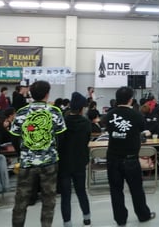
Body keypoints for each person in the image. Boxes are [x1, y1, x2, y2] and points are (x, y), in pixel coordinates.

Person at [10, 80, 67, 227]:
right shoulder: (55, 111)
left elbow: (14, 137)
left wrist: (23, 153)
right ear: (47, 94)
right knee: (49, 200)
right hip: (49, 162)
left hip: (26, 162)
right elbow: (61, 138)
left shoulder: (21, 112)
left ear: (31, 94)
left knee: (21, 200)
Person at [105, 86, 155, 226]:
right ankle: (143, 215)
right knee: (136, 189)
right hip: (131, 158)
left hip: (113, 158)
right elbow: (142, 130)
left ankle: (120, 219)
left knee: (116, 190)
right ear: (131, 100)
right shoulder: (136, 115)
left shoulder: (109, 115)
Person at [58, 92, 92, 227]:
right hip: (79, 162)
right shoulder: (86, 123)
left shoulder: (62, 122)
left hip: (64, 163)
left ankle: (67, 222)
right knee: (81, 191)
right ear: (82, 108)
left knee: (65, 195)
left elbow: (59, 142)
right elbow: (86, 140)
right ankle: (87, 218)